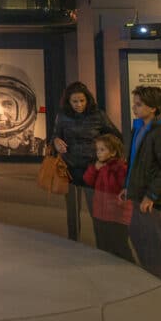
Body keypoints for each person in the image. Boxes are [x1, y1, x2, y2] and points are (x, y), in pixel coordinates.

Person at [121, 85, 161, 281]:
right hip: (138, 194)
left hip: (152, 200)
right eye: (134, 104)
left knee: (153, 243)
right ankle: (149, 276)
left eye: (139, 105)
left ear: (153, 108)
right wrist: (127, 186)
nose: (134, 108)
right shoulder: (139, 127)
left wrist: (151, 195)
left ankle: (159, 281)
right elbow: (135, 162)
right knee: (139, 238)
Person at [52, 82, 120, 241]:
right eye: (74, 101)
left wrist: (105, 157)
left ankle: (102, 242)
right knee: (73, 211)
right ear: (68, 101)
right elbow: (55, 135)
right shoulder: (62, 115)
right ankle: (73, 242)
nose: (79, 105)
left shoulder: (98, 115)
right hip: (70, 167)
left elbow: (116, 137)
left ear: (88, 99)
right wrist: (56, 141)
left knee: (97, 209)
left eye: (82, 100)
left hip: (94, 168)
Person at [83, 133, 134, 263]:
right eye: (97, 150)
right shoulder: (98, 166)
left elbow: (121, 188)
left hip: (117, 215)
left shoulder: (120, 168)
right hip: (100, 213)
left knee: (120, 245)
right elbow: (88, 180)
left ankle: (129, 269)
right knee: (103, 245)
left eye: (102, 150)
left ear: (113, 152)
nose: (98, 153)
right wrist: (95, 169)